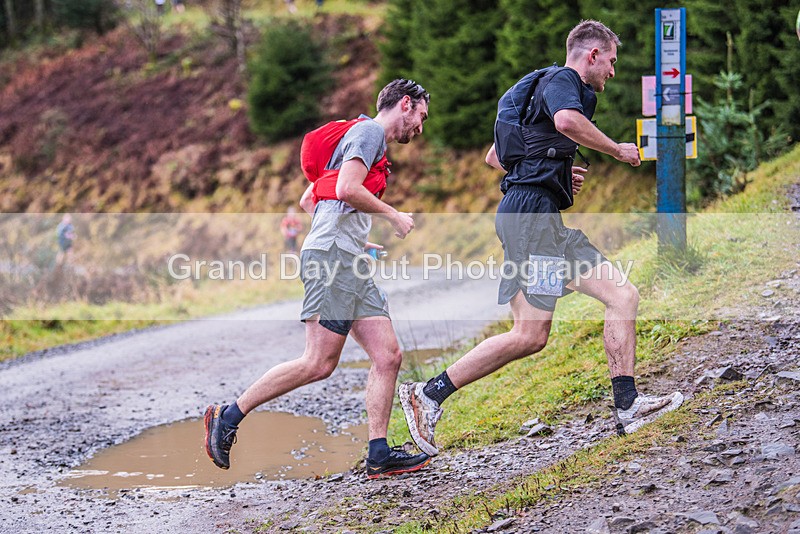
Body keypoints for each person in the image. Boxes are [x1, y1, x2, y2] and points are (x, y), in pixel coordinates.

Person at [399, 20, 684, 458]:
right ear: (591, 55)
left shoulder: (538, 87)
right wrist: (617, 150)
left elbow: (496, 156)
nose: (611, 71)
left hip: (534, 216)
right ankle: (428, 394)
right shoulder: (564, 81)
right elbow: (568, 120)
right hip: (531, 221)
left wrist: (547, 168)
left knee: (596, 306)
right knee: (538, 330)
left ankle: (628, 405)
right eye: (610, 61)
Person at [205, 79, 431, 479]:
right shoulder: (368, 133)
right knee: (318, 362)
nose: (420, 128)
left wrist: (353, 242)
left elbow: (311, 199)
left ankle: (378, 453)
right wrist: (392, 216)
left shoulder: (359, 139)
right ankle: (228, 416)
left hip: (345, 258)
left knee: (388, 355)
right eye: (422, 118)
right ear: (406, 105)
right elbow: (345, 189)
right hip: (331, 260)